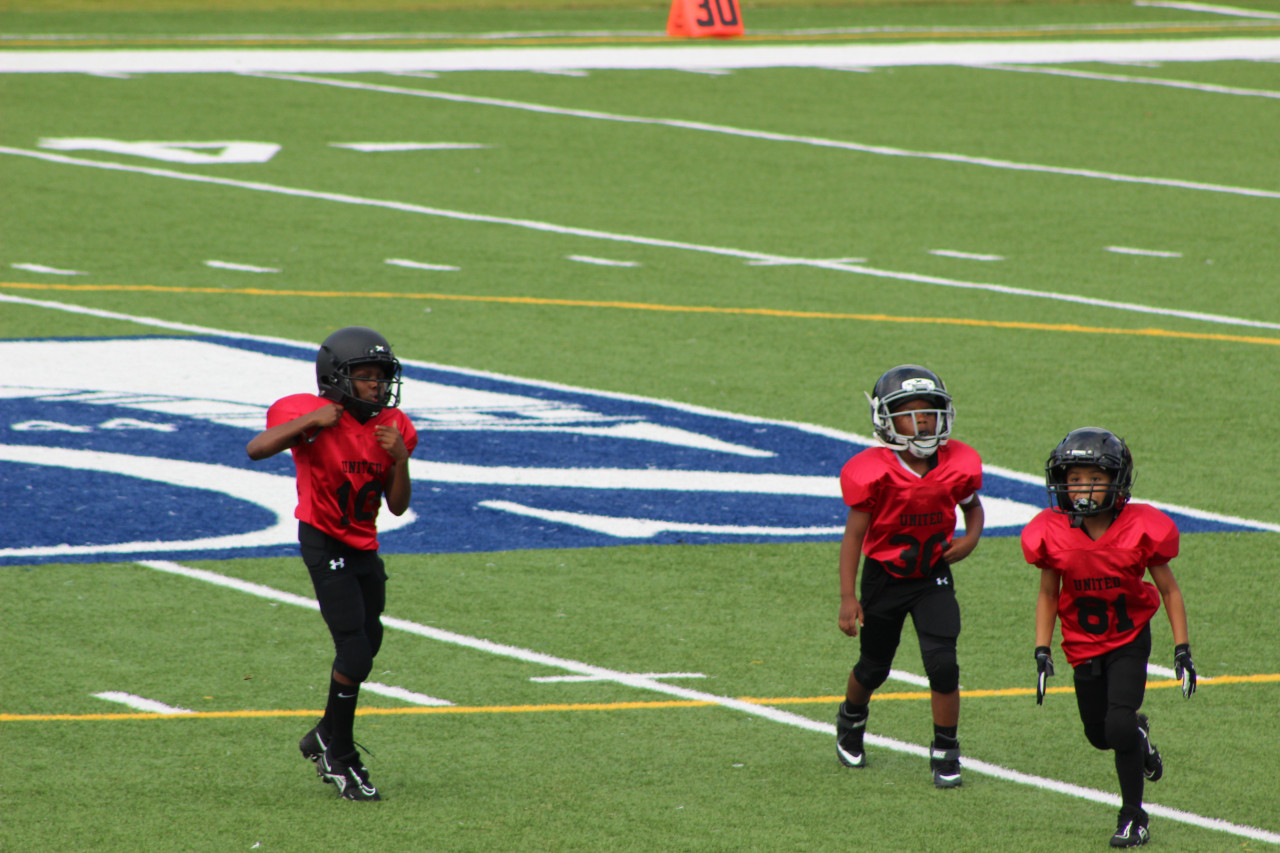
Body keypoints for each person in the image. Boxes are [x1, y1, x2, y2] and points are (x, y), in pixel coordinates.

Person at [247, 326, 418, 802]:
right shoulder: (308, 412)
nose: (377, 386)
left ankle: (325, 733)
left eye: (381, 377)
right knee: (355, 651)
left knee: (370, 642)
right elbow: (257, 449)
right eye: (365, 377)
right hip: (324, 540)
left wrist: (401, 461)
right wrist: (312, 424)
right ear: (338, 378)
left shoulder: (394, 427)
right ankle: (339, 754)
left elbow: (399, 506)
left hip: (364, 544)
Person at [1022, 427, 1196, 848]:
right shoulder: (1053, 530)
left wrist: (1182, 649)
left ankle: (1133, 817)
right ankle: (1139, 736)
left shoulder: (1141, 526)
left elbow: (1169, 590)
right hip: (1081, 643)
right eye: (1075, 478)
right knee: (1100, 735)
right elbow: (1049, 592)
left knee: (1117, 722)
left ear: (1116, 482)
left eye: (1094, 479)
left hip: (1129, 637)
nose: (1082, 488)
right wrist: (1042, 650)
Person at [835, 365, 985, 788]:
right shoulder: (873, 471)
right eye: (908, 414)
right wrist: (849, 596)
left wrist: (971, 539)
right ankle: (851, 716)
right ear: (886, 420)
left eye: (928, 412)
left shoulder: (958, 462)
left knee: (943, 664)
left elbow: (972, 507)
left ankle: (945, 749)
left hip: (932, 574)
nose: (920, 422)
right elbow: (854, 535)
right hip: (885, 576)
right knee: (874, 666)